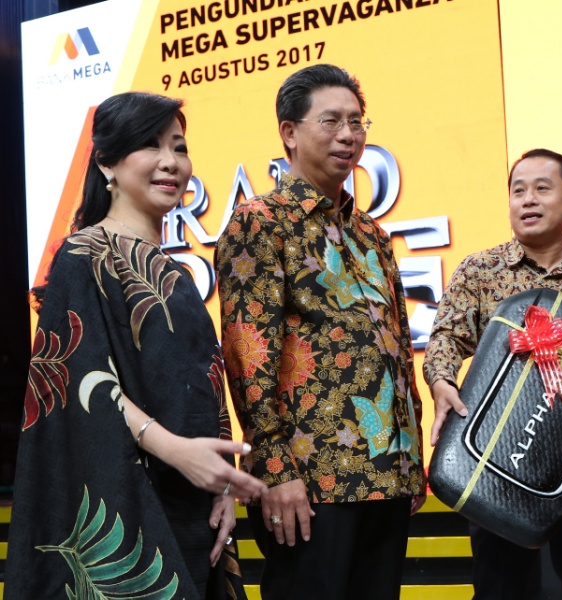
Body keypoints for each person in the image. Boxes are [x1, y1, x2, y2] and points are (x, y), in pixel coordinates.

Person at [5, 91, 267, 599]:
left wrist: (222, 483)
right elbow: (80, 379)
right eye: (151, 145)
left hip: (194, 501)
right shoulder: (82, 255)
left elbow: (205, 383)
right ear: (106, 162)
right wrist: (179, 452)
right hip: (128, 499)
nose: (171, 162)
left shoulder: (178, 273)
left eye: (179, 147)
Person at [215, 63, 426, 600]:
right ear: (289, 132)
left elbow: (399, 348)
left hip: (388, 473)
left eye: (357, 122)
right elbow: (246, 354)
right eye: (331, 121)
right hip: (310, 478)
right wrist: (275, 467)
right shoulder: (260, 221)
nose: (348, 135)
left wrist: (414, 455)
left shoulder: (373, 234)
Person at [423, 148, 562, 600]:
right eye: (518, 190)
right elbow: (446, 337)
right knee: (502, 591)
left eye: (542, 189)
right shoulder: (480, 270)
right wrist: (441, 381)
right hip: (495, 471)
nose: (527, 199)